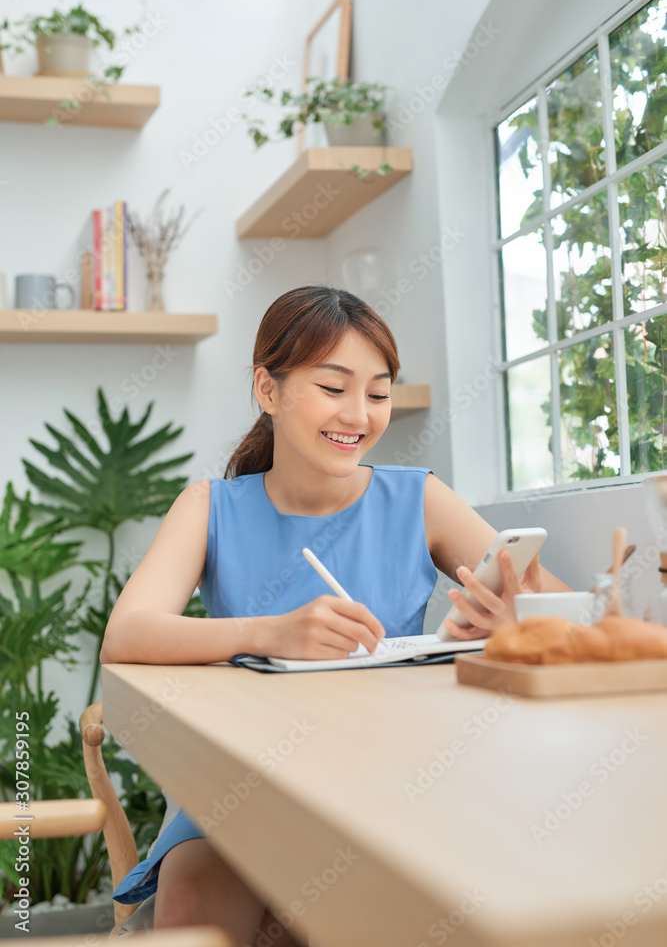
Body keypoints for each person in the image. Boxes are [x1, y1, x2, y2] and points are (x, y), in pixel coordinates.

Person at [101, 285, 567, 946]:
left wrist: (512, 631)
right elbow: (127, 635)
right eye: (333, 387)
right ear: (268, 389)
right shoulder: (209, 506)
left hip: (393, 776)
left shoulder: (419, 499)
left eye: (377, 394)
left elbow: (564, 611)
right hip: (238, 783)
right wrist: (269, 632)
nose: (359, 414)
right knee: (193, 902)